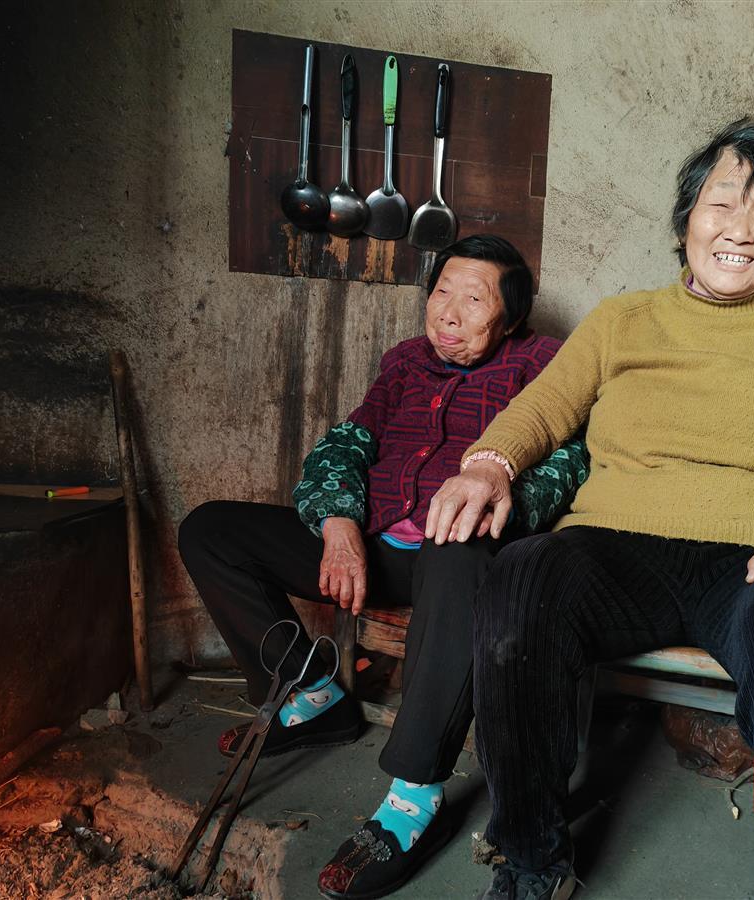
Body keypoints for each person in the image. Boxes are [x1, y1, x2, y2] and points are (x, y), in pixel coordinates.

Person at [425, 120, 754, 900]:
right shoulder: (622, 320)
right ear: (685, 221)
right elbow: (543, 407)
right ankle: (532, 859)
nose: (740, 230)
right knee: (523, 578)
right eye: (722, 204)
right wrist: (488, 465)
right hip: (617, 548)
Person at [177, 234, 588, 900]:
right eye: (442, 292)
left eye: (473, 300)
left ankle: (414, 795)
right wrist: (338, 520)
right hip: (372, 545)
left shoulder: (544, 365)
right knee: (211, 530)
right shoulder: (405, 364)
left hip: (460, 557)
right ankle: (313, 698)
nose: (448, 313)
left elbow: (568, 464)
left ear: (511, 317)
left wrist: (493, 511)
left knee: (458, 544)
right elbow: (347, 443)